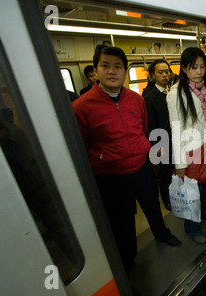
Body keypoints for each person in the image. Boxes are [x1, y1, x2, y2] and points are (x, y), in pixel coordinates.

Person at [72, 45, 181, 276]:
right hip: (111, 176)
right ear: (96, 69)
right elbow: (81, 145)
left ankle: (162, 234)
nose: (112, 71)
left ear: (124, 70)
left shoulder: (135, 99)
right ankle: (129, 262)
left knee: (152, 205)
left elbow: (142, 128)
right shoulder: (82, 106)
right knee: (123, 223)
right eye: (105, 66)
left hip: (141, 168)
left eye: (118, 67)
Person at [166, 47, 206, 244]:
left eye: (202, 66)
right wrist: (179, 163)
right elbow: (176, 129)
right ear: (184, 69)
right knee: (192, 192)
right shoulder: (175, 94)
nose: (199, 71)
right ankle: (192, 228)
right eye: (193, 67)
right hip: (189, 150)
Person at [144, 59, 174, 210]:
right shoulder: (150, 98)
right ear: (153, 75)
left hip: (178, 139)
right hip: (163, 142)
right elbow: (151, 125)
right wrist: (157, 146)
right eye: (160, 72)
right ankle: (167, 200)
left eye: (167, 72)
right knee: (165, 173)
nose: (164, 75)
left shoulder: (174, 93)